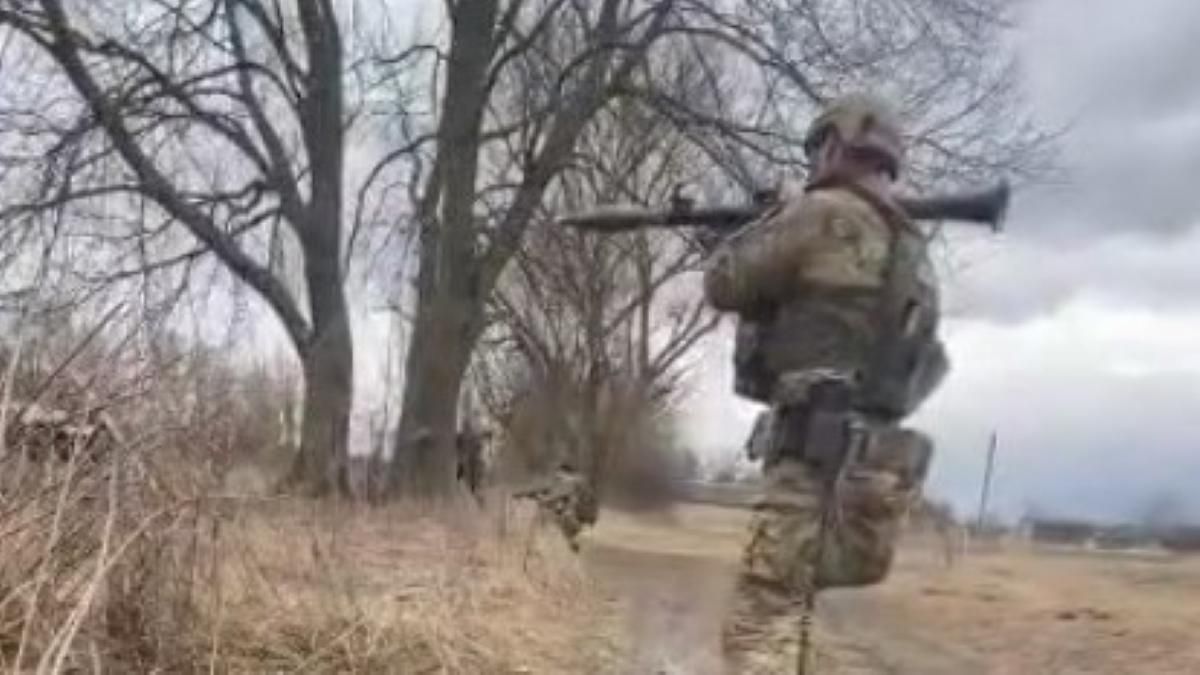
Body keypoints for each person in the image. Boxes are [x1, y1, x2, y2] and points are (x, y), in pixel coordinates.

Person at [703, 93, 944, 672]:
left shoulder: (819, 216)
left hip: (812, 451)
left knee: (760, 624)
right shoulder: (914, 254)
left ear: (835, 145)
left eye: (817, 152)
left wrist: (748, 228)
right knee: (792, 614)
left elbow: (726, 283)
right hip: (874, 471)